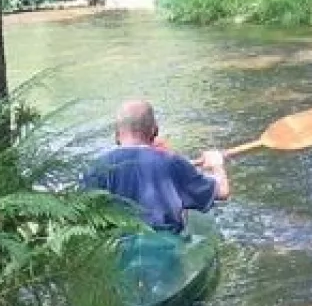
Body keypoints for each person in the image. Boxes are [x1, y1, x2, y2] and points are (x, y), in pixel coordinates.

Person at [84, 99, 230, 232]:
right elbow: (223, 192)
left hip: (115, 246)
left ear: (117, 134)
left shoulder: (95, 168)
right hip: (165, 243)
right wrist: (216, 164)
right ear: (155, 130)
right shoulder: (173, 162)